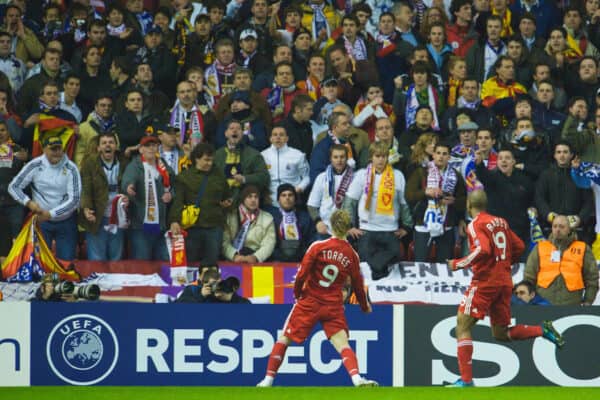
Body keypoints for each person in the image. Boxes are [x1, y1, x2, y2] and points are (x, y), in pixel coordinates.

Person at [445, 190, 565, 387]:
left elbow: (482, 249)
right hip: (504, 281)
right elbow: (518, 246)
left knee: (462, 325)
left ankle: (466, 381)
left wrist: (457, 264)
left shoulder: (475, 224)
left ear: (468, 205)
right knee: (501, 333)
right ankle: (542, 330)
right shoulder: (501, 222)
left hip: (485, 281)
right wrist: (502, 263)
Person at [256, 209, 377, 388]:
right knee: (343, 344)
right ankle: (357, 378)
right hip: (333, 306)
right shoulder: (352, 255)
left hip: (310, 301)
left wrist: (298, 294)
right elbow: (358, 285)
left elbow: (302, 274)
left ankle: (268, 380)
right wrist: (364, 306)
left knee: (284, 339)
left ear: (330, 225)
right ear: (348, 227)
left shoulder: (318, 247)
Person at [8, 136, 81, 261]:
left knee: (66, 263)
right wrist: (28, 202)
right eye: (53, 149)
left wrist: (51, 214)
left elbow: (75, 200)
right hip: (42, 222)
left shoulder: (71, 168)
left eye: (59, 149)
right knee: (40, 262)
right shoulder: (34, 165)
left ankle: (61, 280)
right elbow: (13, 187)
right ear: (44, 150)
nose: (57, 152)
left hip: (66, 221)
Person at [169, 143, 232, 266]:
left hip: (214, 227)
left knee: (212, 262)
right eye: (206, 160)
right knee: (191, 262)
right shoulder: (184, 177)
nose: (209, 163)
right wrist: (174, 221)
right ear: (196, 158)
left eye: (211, 160)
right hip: (192, 228)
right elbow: (178, 202)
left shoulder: (219, 176)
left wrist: (227, 202)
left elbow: (227, 195)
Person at [524, 215, 599, 306]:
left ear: (569, 229)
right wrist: (529, 300)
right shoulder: (540, 247)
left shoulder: (582, 248)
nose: (558, 229)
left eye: (561, 226)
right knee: (546, 321)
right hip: (543, 304)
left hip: (572, 304)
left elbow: (592, 278)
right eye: (555, 226)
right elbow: (529, 276)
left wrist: (588, 301)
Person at [121, 135, 174, 260]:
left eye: (154, 145)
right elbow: (127, 182)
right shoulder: (135, 165)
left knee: (164, 262)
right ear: (140, 149)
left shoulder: (163, 165)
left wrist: (171, 194)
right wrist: (129, 188)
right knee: (142, 263)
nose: (151, 148)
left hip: (161, 225)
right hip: (141, 226)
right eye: (147, 146)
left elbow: (175, 184)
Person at [79, 132, 128, 261]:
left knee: (116, 259)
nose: (108, 145)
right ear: (99, 148)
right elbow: (85, 188)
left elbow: (131, 186)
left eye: (111, 142)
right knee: (96, 259)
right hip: (97, 216)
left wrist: (129, 198)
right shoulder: (89, 164)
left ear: (116, 146)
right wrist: (86, 208)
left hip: (118, 217)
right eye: (104, 143)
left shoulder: (124, 163)